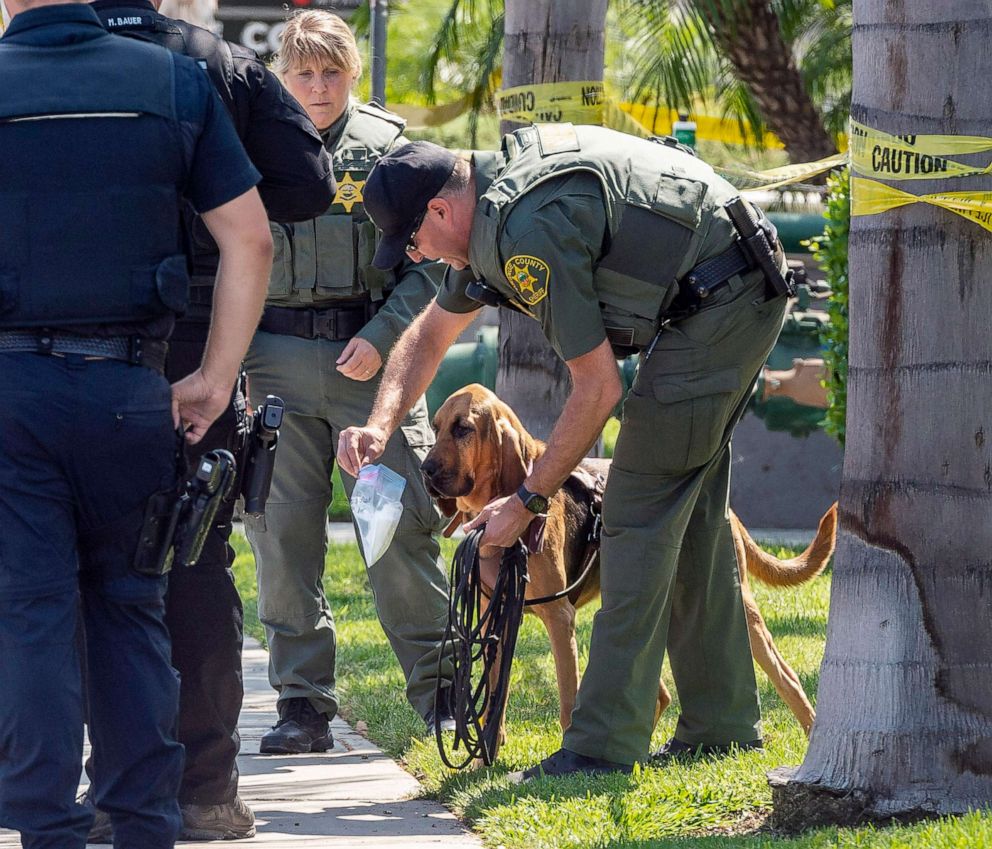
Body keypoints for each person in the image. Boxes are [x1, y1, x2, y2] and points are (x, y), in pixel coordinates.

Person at [338, 126, 791, 779]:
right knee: (688, 516)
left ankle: (602, 743)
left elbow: (599, 386)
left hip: (722, 296)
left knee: (634, 506)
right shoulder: (491, 207)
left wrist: (526, 499)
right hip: (721, 284)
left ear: (439, 210)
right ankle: (720, 726)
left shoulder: (525, 232)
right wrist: (381, 425)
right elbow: (429, 335)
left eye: (411, 241)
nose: (418, 254)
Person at [0, 0, 271, 844]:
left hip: (10, 393)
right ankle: (145, 820)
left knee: (31, 614)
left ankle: (48, 828)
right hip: (129, 387)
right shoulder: (173, 78)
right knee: (129, 607)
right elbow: (251, 240)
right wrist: (216, 379)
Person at [81, 0, 334, 839]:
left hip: (79, 345)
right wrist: (221, 203)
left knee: (89, 568)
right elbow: (309, 180)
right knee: (196, 558)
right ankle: (206, 787)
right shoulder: (217, 62)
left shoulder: (50, 61)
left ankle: (112, 784)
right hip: (203, 339)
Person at [244, 9, 453, 756]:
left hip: (376, 366)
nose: (319, 86)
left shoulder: (392, 151)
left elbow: (434, 265)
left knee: (395, 531)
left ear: (353, 74)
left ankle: (442, 692)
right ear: (283, 75)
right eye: (304, 72)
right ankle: (302, 704)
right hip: (273, 362)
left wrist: (382, 334)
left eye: (332, 72)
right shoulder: (252, 145)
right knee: (280, 536)